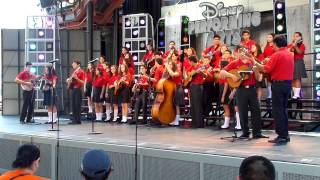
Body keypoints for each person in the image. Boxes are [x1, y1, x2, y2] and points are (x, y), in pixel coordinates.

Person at [220, 47, 267, 139]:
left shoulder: (252, 61)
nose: (242, 53)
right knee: (242, 112)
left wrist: (256, 70)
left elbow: (258, 78)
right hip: (241, 89)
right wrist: (232, 76)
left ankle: (257, 133)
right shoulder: (235, 62)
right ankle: (245, 132)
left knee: (256, 111)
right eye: (240, 51)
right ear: (237, 53)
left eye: (244, 51)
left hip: (252, 89)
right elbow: (222, 71)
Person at [255, 35, 293, 144]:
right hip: (287, 84)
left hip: (279, 84)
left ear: (276, 44)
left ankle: (281, 135)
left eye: (273, 45)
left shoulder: (277, 54)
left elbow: (266, 69)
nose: (273, 47)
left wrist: (256, 64)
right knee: (283, 110)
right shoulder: (289, 54)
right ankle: (285, 135)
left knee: (278, 110)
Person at [218, 50, 241, 130]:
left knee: (229, 107)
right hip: (226, 90)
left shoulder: (226, 74)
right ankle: (230, 123)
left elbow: (226, 84)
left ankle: (229, 123)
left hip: (227, 91)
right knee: (232, 107)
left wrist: (223, 96)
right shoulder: (224, 73)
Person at [164, 56, 184, 126]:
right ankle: (173, 119)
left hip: (178, 88)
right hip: (172, 89)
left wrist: (167, 67)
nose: (169, 65)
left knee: (177, 105)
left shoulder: (178, 70)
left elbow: (173, 74)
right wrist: (166, 69)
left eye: (170, 64)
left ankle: (177, 120)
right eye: (168, 64)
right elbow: (164, 78)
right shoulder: (169, 71)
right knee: (173, 105)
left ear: (173, 65)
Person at [187, 55, 205, 128]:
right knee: (193, 105)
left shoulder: (201, 66)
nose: (189, 63)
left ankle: (199, 123)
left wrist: (200, 72)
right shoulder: (191, 68)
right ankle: (194, 122)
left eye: (189, 61)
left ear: (191, 61)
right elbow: (189, 76)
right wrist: (192, 73)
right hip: (192, 86)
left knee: (198, 105)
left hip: (198, 86)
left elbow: (205, 75)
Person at [288, 32, 307, 99]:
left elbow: (299, 52)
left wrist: (295, 45)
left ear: (300, 37)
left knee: (297, 78)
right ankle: (295, 94)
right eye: (294, 36)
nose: (295, 37)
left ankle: (297, 94)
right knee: (292, 78)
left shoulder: (302, 45)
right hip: (291, 62)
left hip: (298, 62)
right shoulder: (290, 45)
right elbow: (288, 52)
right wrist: (292, 46)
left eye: (297, 36)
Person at [66, 60, 85, 124]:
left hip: (78, 89)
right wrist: (69, 80)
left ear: (78, 65)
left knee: (77, 105)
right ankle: (74, 119)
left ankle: (78, 120)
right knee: (73, 104)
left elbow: (83, 82)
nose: (72, 65)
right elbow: (71, 80)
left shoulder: (81, 72)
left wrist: (77, 79)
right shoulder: (74, 72)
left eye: (74, 64)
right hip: (73, 89)